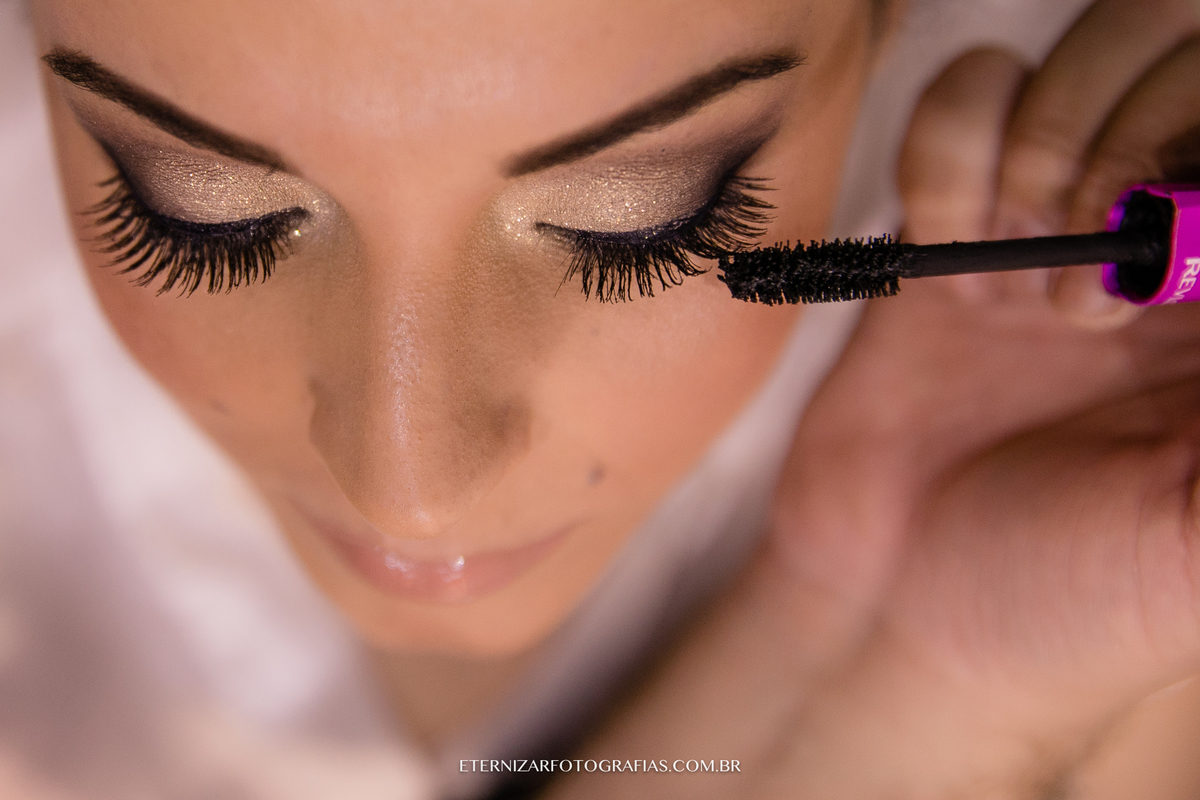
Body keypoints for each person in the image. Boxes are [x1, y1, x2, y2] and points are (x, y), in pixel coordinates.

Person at [2, 0, 1199, 797]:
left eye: (635, 221)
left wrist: (915, 650)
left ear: (893, 20)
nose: (411, 491)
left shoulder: (1074, 317)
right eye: (198, 209)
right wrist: (887, 693)